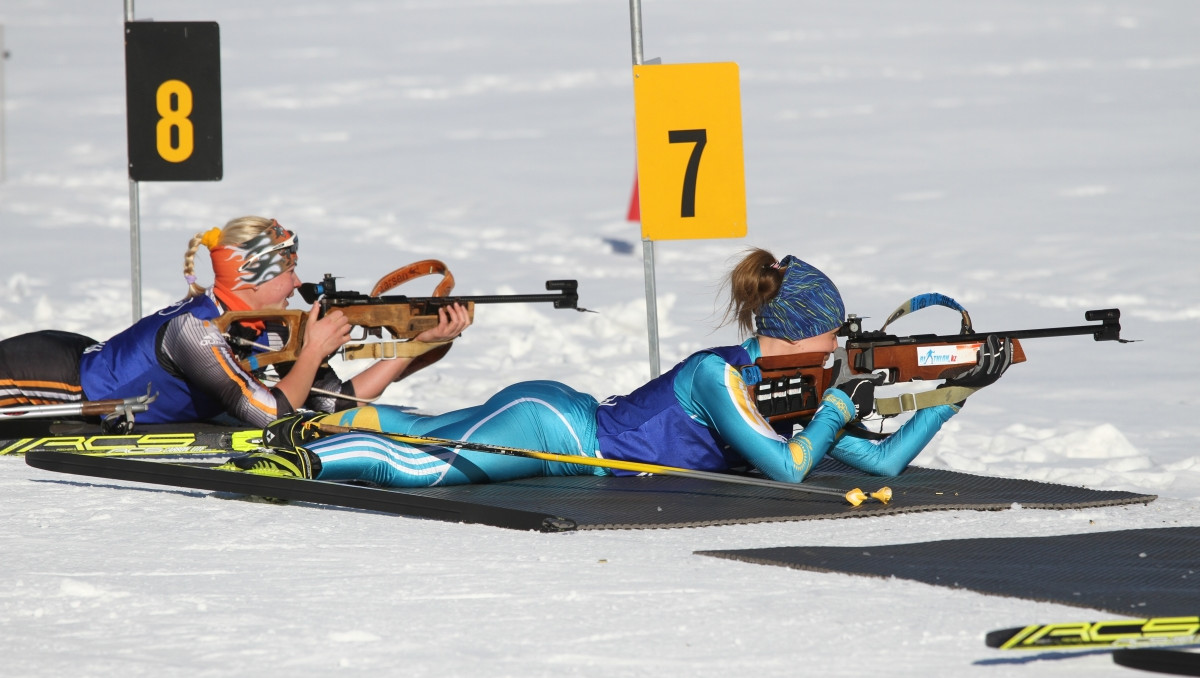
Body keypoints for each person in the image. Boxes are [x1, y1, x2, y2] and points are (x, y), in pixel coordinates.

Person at [224, 248, 1011, 486]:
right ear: (803, 333)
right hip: (559, 426)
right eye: (835, 335)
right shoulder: (722, 376)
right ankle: (303, 453)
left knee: (427, 429)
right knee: (427, 468)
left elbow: (880, 462)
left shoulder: (791, 391)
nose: (843, 347)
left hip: (571, 431)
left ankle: (315, 418)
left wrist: (950, 395)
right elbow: (785, 469)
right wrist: (841, 401)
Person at [0, 216, 470, 428]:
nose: (297, 281)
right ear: (253, 276)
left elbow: (334, 403)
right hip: (53, 380)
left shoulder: (271, 327)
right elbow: (272, 414)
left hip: (78, 363)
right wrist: (312, 352)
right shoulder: (197, 331)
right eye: (288, 272)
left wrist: (422, 345)